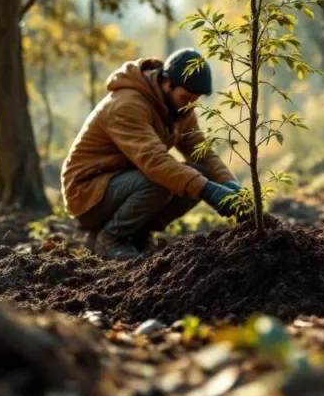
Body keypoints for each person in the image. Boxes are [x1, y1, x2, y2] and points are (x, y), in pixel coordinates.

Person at [61, 48, 243, 260]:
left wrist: (234, 189)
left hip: (126, 184)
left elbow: (203, 153)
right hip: (87, 192)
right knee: (165, 181)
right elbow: (154, 161)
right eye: (186, 98)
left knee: (201, 172)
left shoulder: (181, 109)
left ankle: (138, 235)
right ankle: (111, 238)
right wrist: (209, 191)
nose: (191, 105)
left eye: (195, 100)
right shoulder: (127, 104)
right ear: (167, 83)